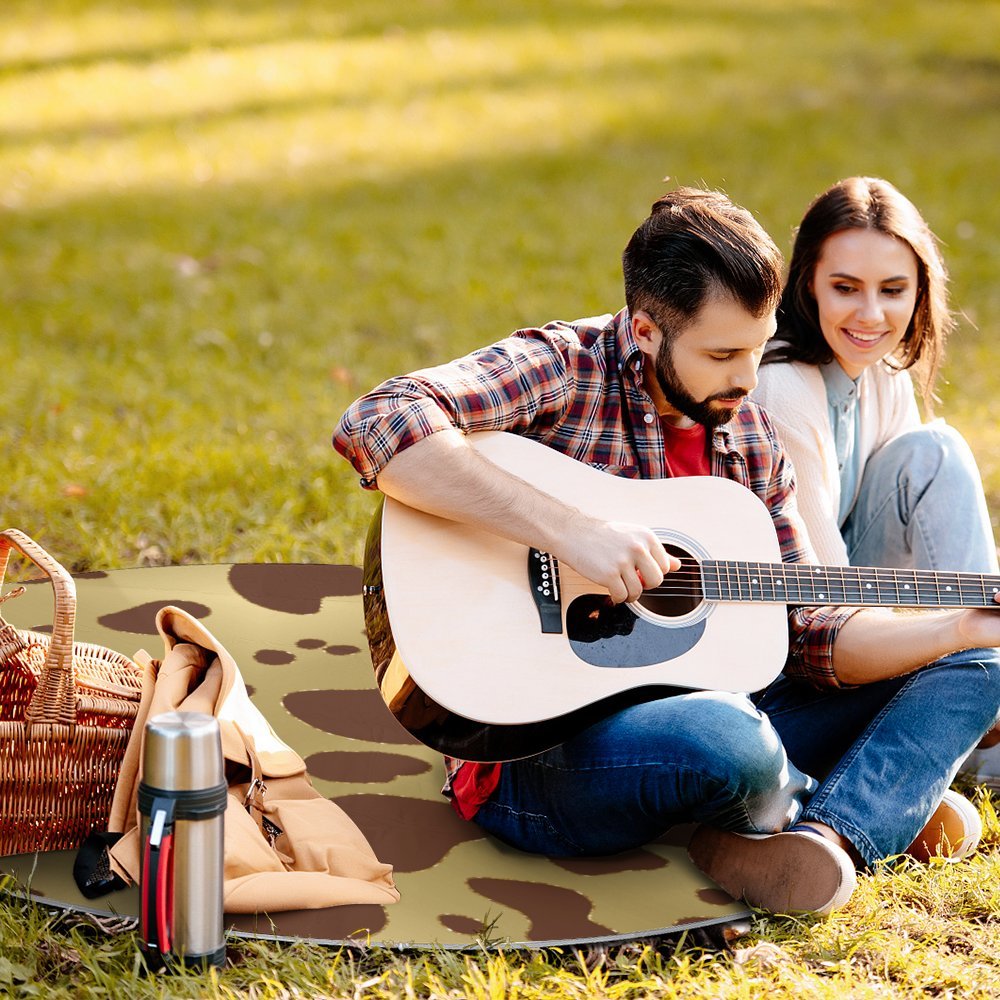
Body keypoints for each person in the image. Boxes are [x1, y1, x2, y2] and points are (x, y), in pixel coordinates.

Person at [333, 187, 1000, 916]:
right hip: (537, 755)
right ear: (646, 330)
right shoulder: (564, 367)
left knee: (980, 664)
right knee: (728, 741)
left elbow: (810, 629)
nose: (748, 380)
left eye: (757, 346)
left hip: (728, 709)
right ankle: (857, 797)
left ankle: (828, 837)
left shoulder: (748, 435)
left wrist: (956, 628)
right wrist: (569, 531)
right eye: (722, 354)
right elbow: (380, 419)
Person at [753, 176, 1000, 787]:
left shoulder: (881, 369)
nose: (871, 315)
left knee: (931, 451)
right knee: (937, 450)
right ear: (807, 281)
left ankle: (979, 694)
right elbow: (823, 602)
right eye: (845, 288)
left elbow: (920, 548)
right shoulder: (783, 386)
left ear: (920, 291)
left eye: (893, 290)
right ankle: (977, 727)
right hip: (793, 646)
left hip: (857, 611)